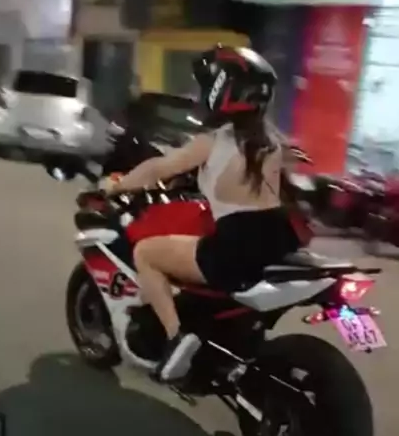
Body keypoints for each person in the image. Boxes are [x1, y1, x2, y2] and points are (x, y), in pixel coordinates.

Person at [103, 46, 309, 382]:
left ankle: (176, 337)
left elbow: (158, 168)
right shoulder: (272, 139)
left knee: (146, 253)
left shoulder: (215, 141)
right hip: (278, 237)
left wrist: (118, 185)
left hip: (236, 245)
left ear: (222, 91)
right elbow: (288, 168)